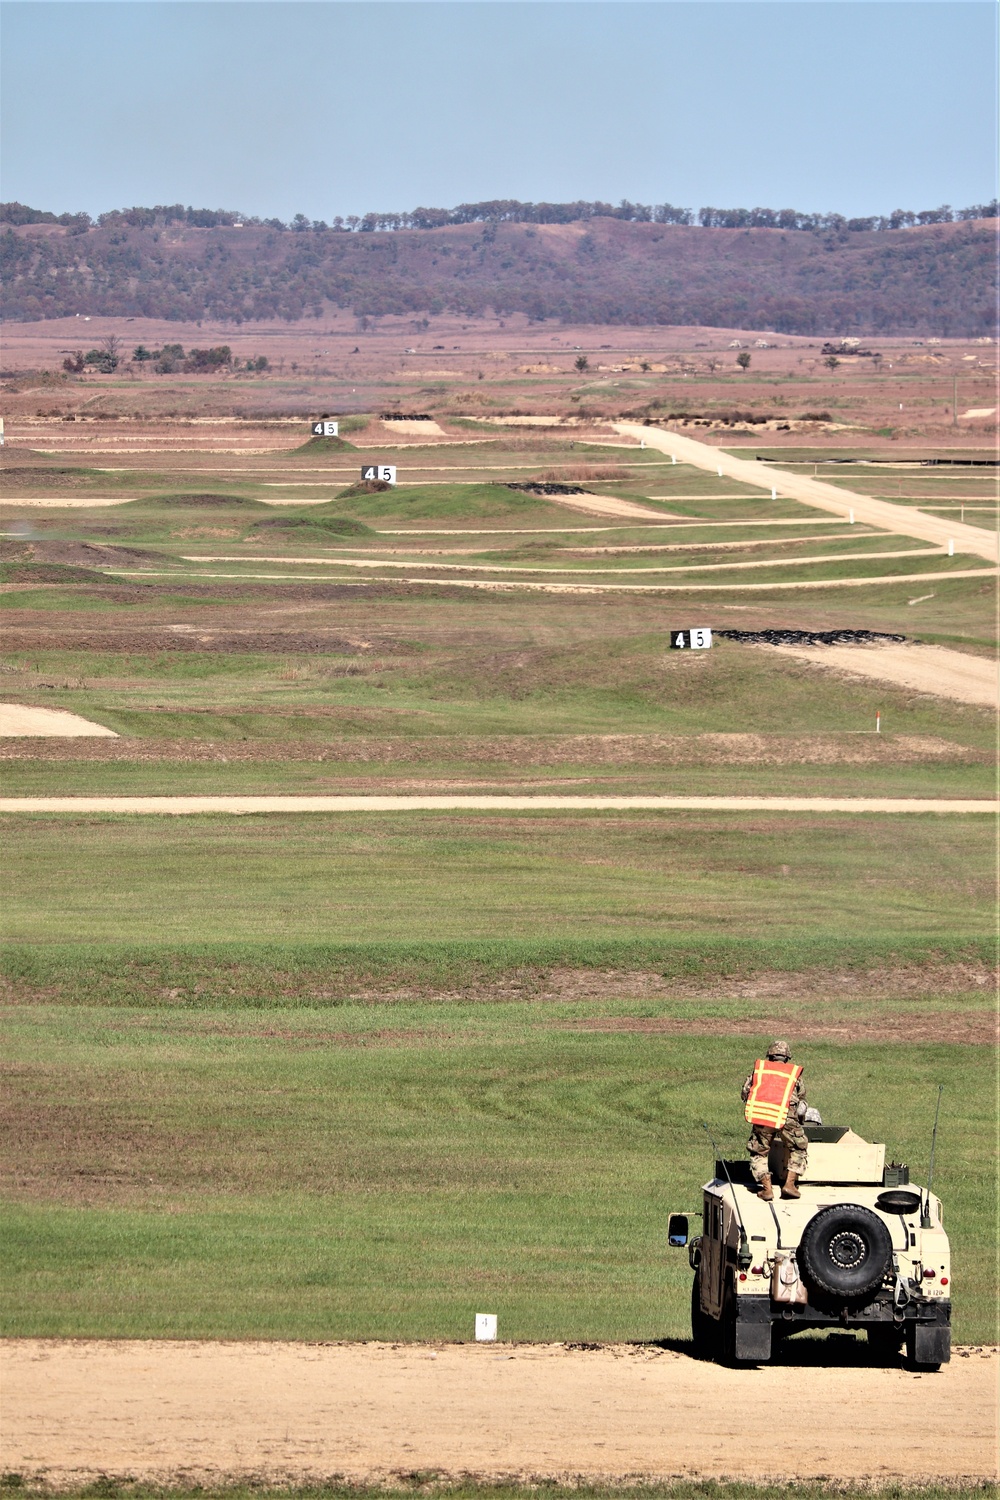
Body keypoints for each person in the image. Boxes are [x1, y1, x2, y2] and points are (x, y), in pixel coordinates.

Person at [742, 1040, 810, 1201]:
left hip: (764, 1115)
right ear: (787, 1057)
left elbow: (745, 1093)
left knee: (759, 1150)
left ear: (770, 1055)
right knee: (798, 1147)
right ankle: (790, 1185)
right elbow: (801, 1097)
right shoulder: (793, 1073)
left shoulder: (760, 1071)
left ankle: (767, 1189)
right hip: (787, 1115)